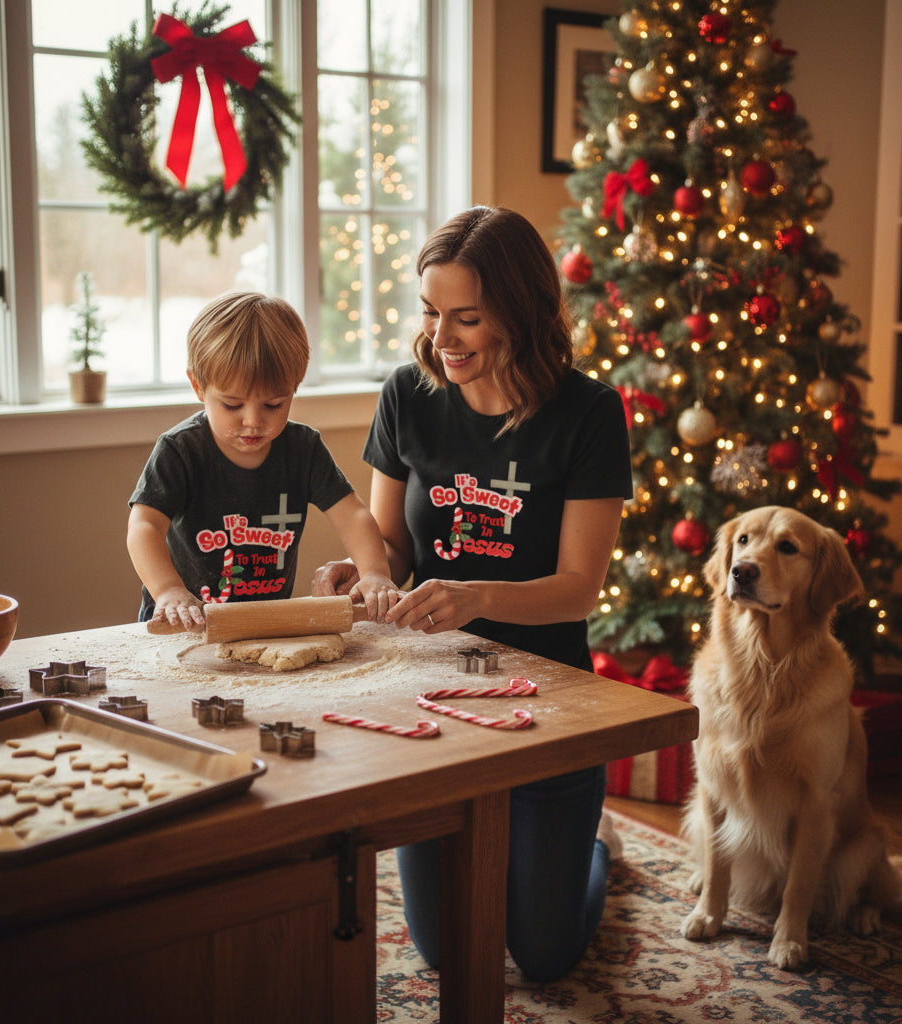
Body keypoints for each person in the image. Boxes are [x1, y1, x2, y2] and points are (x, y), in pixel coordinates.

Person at [311, 206, 633, 982]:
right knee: (451, 951)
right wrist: (364, 575)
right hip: (432, 700)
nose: (441, 338)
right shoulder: (408, 396)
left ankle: (595, 849)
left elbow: (578, 591)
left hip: (548, 701)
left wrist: (474, 595)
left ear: (519, 317)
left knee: (544, 954)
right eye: (430, 313)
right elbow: (390, 545)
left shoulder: (588, 414)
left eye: (466, 318)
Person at [128, 291, 399, 631]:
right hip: (186, 624)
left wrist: (374, 572)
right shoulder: (181, 451)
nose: (253, 420)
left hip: (265, 623)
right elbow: (145, 526)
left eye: (273, 405)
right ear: (198, 386)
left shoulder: (303, 449)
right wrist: (168, 591)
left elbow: (353, 515)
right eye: (232, 405)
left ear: (294, 387)